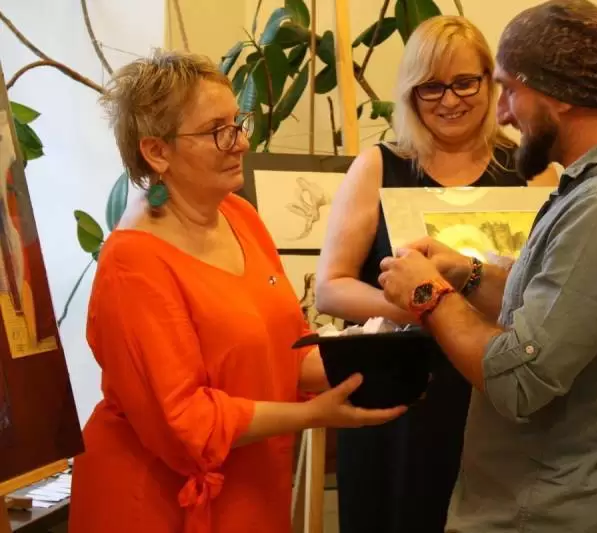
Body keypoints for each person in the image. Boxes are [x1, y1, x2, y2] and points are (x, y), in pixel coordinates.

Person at [376, 1, 597, 532]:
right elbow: (568, 311)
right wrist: (468, 275)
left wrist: (429, 296)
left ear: (558, 94)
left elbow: (518, 380)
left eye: (509, 90)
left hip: (545, 511)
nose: (503, 113)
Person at [68, 50, 406, 533]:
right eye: (217, 131)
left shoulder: (238, 215)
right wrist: (312, 415)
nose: (242, 142)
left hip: (250, 486)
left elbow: (288, 351)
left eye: (238, 122)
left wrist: (381, 357)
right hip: (157, 505)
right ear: (157, 152)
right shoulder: (133, 263)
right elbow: (184, 421)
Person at [314, 15, 527, 533]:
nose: (449, 100)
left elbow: (547, 289)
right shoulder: (378, 165)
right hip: (401, 395)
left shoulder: (528, 167)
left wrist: (439, 302)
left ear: (490, 81)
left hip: (496, 394)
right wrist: (426, 307)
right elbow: (330, 288)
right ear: (410, 93)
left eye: (464, 82)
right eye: (431, 86)